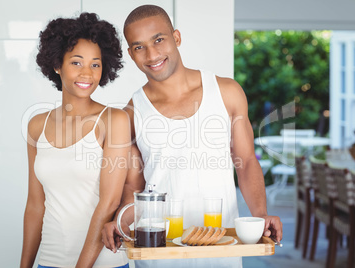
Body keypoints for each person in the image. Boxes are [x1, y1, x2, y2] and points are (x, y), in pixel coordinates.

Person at [102, 4, 283, 268]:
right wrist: (120, 221)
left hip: (219, 249)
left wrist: (261, 215)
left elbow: (246, 161)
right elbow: (134, 186)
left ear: (176, 37)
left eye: (159, 40)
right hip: (158, 253)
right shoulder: (131, 112)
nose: (151, 54)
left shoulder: (227, 92)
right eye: (139, 47)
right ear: (131, 53)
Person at [20, 13, 131, 268]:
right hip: (50, 260)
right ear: (57, 64)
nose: (87, 74)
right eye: (77, 63)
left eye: (95, 64)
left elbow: (110, 202)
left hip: (103, 263)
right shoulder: (37, 125)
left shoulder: (113, 120)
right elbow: (35, 205)